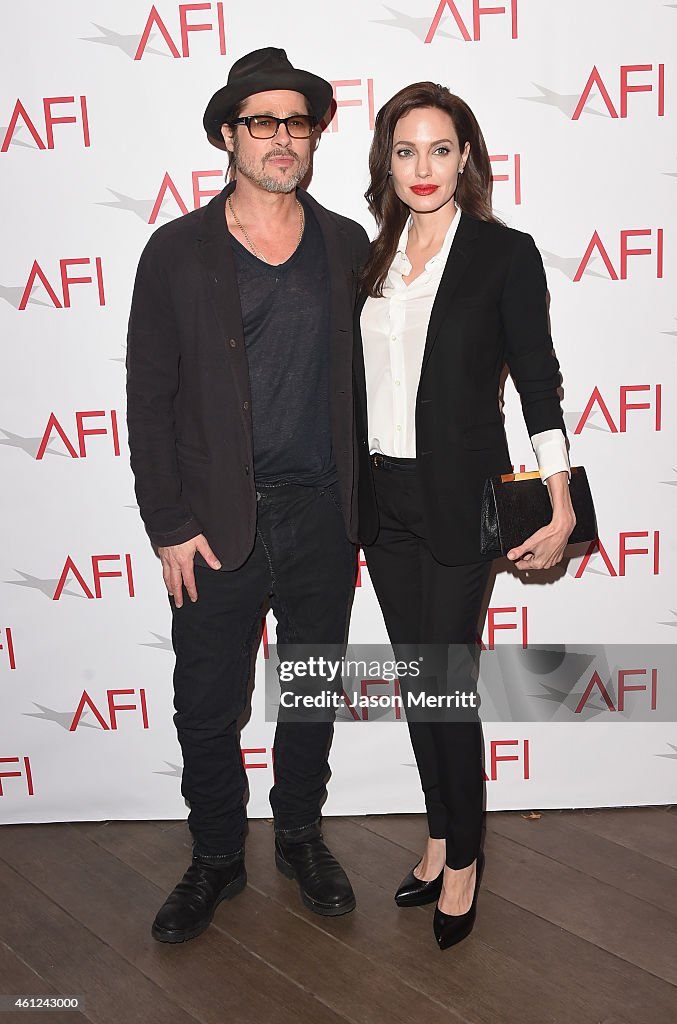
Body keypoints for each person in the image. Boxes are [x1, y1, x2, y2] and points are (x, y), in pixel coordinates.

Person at [126, 47, 369, 943]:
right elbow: (147, 399)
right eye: (262, 121)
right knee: (207, 703)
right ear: (228, 135)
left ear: (311, 138)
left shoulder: (347, 244)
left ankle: (300, 835)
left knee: (309, 691)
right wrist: (169, 523)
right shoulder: (177, 251)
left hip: (321, 516)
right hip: (215, 526)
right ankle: (217, 856)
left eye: (296, 121)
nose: (281, 137)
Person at [353, 82, 576, 949]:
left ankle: (466, 859)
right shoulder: (371, 259)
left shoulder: (501, 254)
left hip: (458, 505)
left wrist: (558, 498)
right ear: (386, 162)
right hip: (384, 501)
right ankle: (440, 829)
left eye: (439, 149)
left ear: (467, 158)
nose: (422, 167)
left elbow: (537, 381)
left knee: (445, 685)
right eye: (405, 150)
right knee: (418, 682)